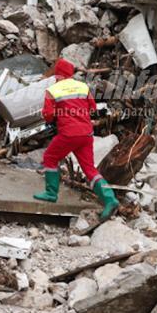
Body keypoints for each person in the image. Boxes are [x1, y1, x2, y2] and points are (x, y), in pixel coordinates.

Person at [34, 58, 119, 220]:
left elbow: (48, 116)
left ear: (57, 74)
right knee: (90, 170)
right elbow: (93, 108)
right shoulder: (83, 87)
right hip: (86, 135)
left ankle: (51, 193)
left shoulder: (53, 90)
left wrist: (58, 114)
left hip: (68, 134)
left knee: (50, 158)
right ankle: (110, 199)